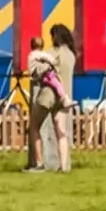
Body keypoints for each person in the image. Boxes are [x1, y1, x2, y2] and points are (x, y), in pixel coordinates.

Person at [27, 24, 76, 173]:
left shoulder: (52, 52)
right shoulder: (71, 55)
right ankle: (64, 166)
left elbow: (39, 70)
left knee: (34, 126)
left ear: (56, 36)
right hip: (64, 96)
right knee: (61, 132)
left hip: (48, 94)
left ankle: (38, 164)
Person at [28, 36, 77, 110]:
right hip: (44, 74)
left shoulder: (31, 55)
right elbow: (47, 57)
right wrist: (54, 61)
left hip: (37, 75)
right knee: (58, 84)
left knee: (57, 83)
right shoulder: (38, 54)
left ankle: (64, 99)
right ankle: (65, 100)